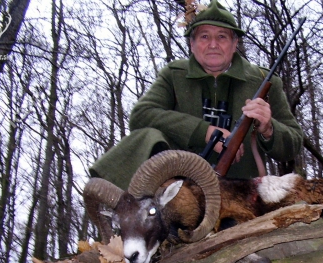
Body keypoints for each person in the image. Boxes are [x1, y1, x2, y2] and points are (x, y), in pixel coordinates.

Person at [90, 0, 303, 189]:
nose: (213, 44)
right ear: (192, 44)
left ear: (235, 43)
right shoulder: (174, 75)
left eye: (222, 36)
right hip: (177, 190)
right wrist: (206, 132)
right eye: (204, 36)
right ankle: (117, 205)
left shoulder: (266, 82)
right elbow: (141, 115)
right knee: (145, 137)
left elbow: (293, 144)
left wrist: (268, 129)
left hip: (241, 194)